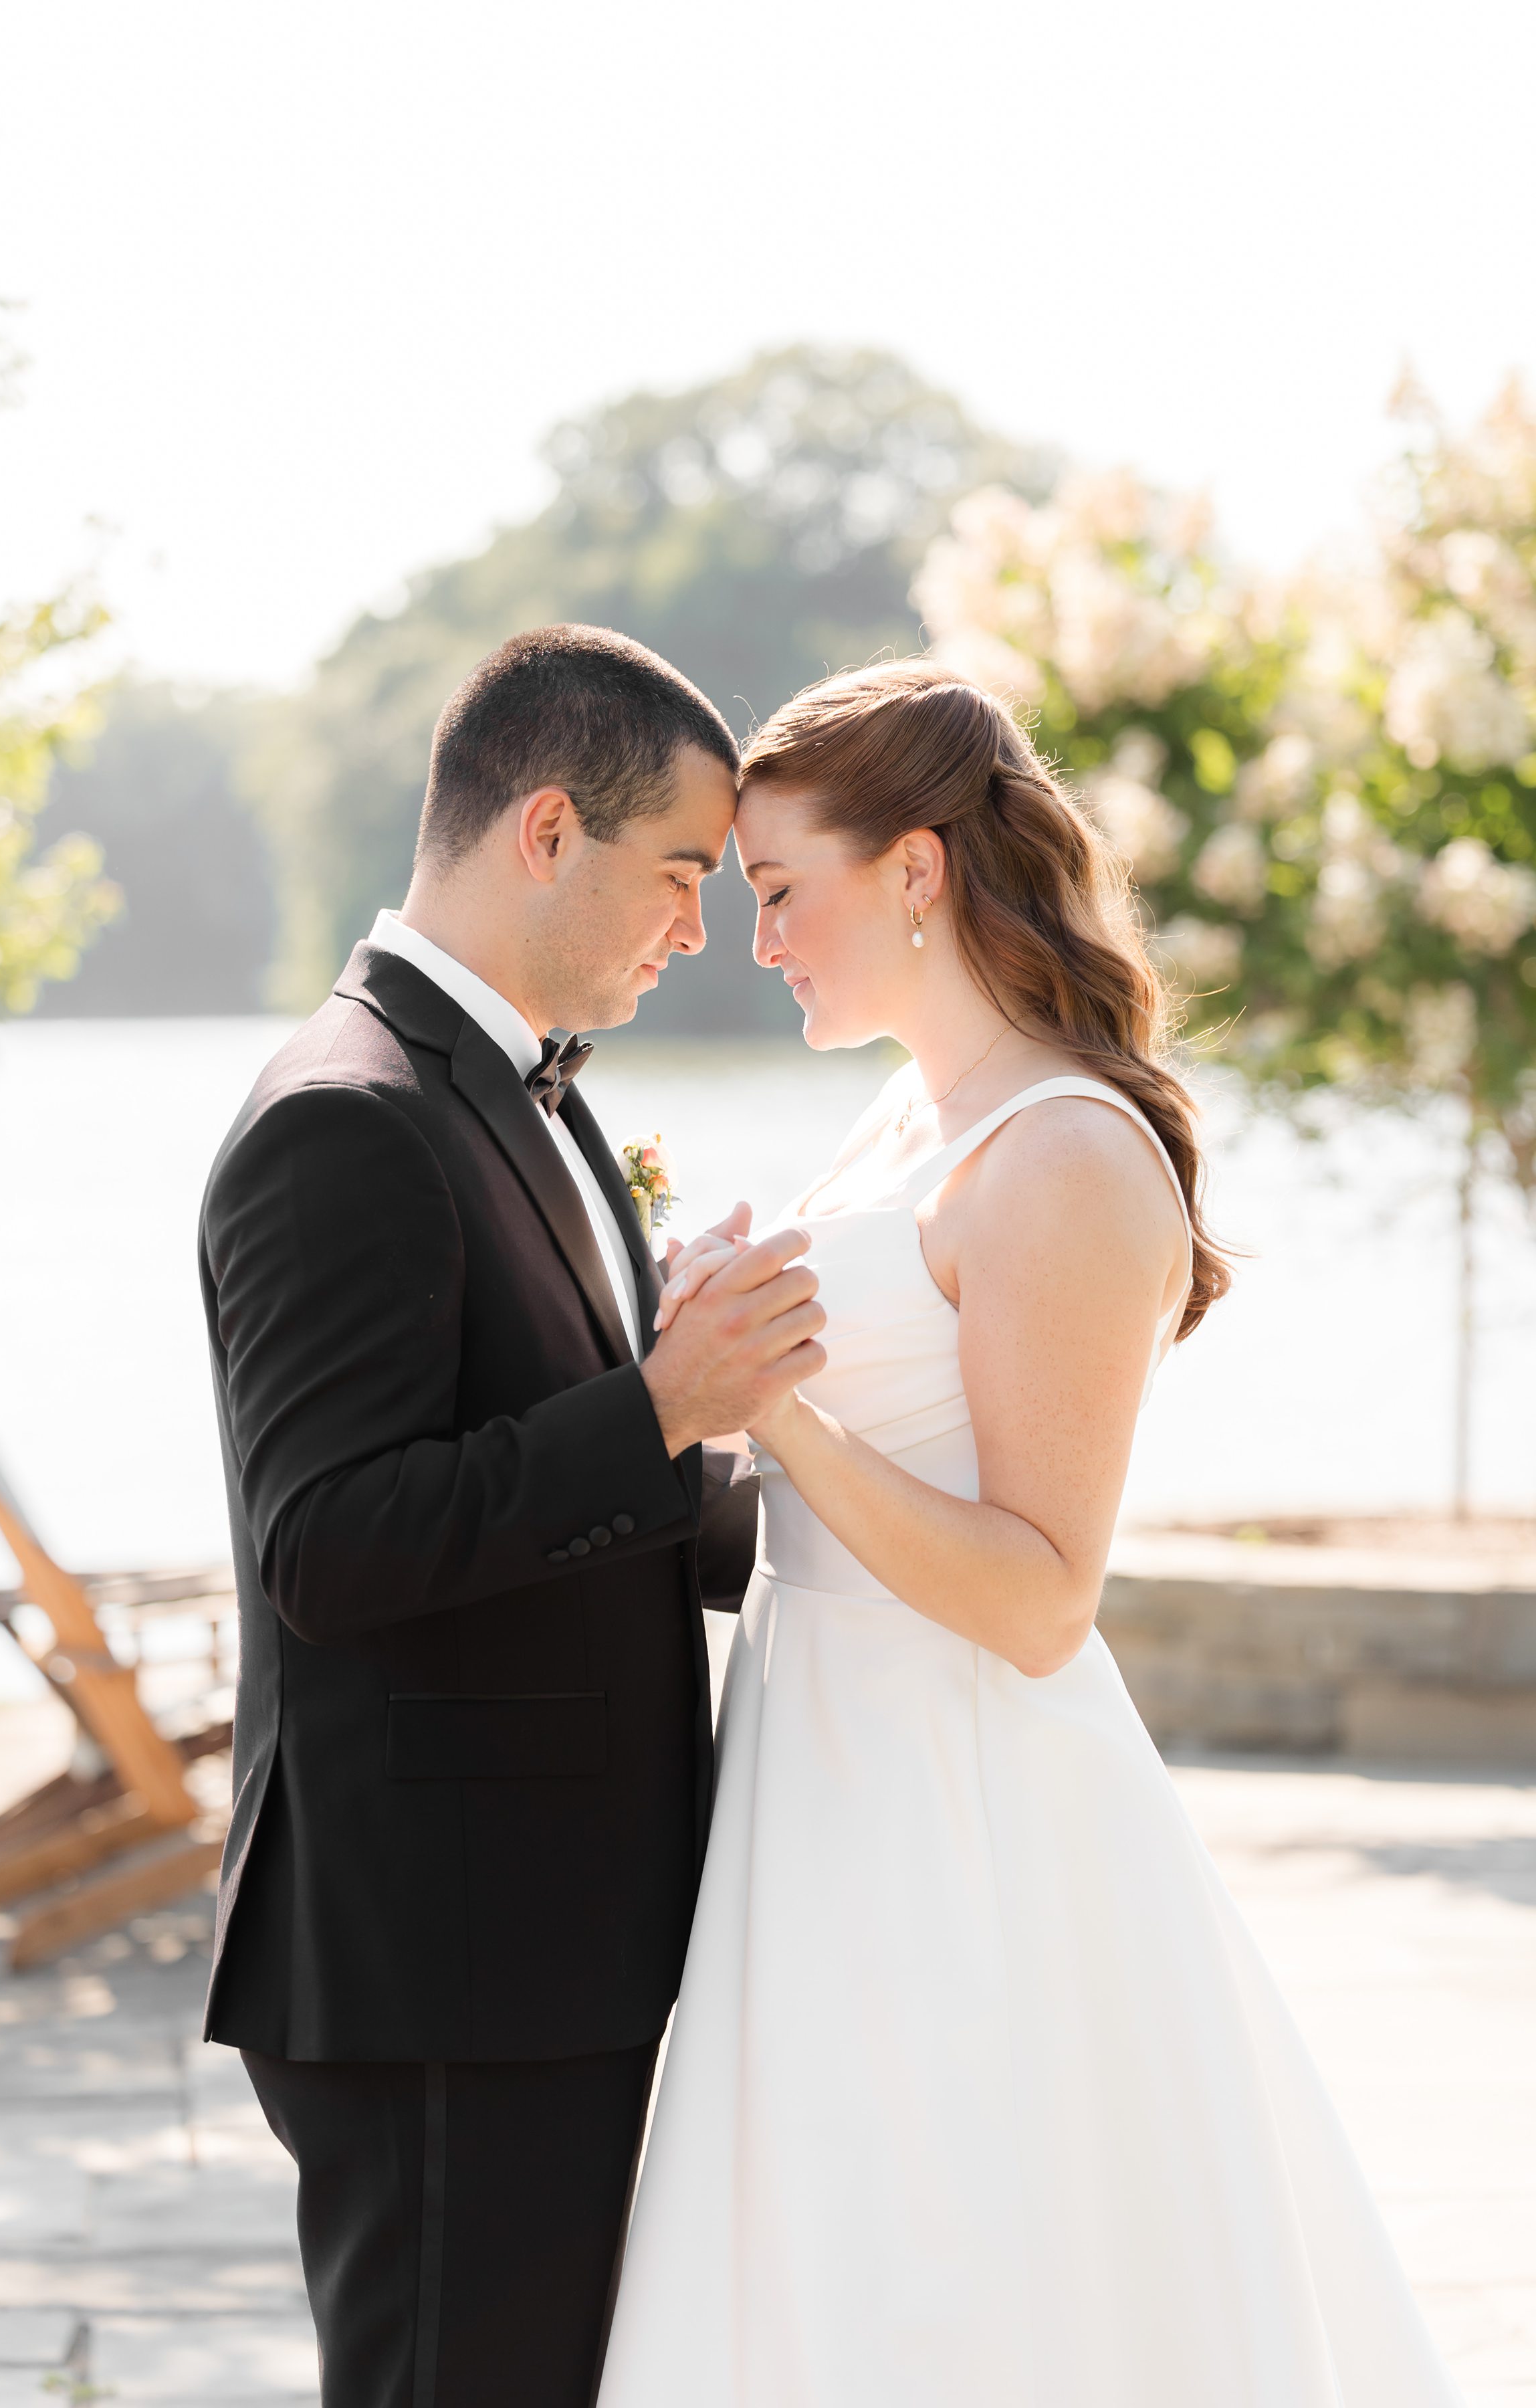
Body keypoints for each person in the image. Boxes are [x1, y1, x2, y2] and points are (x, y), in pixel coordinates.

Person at [598, 660, 1461, 2407]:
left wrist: (772, 1406)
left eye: (781, 891)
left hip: (959, 1807)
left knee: (963, 2289)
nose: (757, 942)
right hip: (821, 1767)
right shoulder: (912, 1112)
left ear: (915, 870)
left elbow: (1044, 1596)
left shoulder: (1065, 1154)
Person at [198, 625, 824, 2408]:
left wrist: (804, 1522)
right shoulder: (346, 1121)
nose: (700, 926)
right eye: (685, 872)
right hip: (445, 1965)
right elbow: (331, 1544)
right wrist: (663, 1407)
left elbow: (574, 1485)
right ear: (549, 830)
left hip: (547, 1942)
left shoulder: (522, 1094)